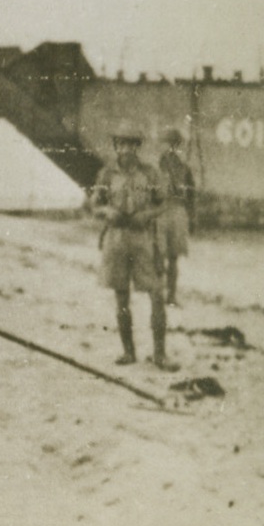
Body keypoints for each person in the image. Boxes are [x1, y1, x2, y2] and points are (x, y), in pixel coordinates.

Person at [91, 132, 179, 371]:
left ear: (137, 147)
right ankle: (128, 352)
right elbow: (94, 203)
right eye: (121, 144)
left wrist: (146, 215)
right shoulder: (107, 174)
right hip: (116, 239)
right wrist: (107, 212)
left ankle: (160, 354)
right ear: (115, 146)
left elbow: (164, 201)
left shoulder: (150, 173)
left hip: (143, 239)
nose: (126, 149)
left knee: (156, 295)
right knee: (121, 297)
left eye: (131, 145)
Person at [157, 127, 195, 307]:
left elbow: (191, 194)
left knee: (170, 258)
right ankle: (164, 295)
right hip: (168, 213)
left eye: (171, 144)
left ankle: (168, 296)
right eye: (167, 144)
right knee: (164, 257)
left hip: (173, 212)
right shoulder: (160, 168)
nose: (169, 147)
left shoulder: (178, 168)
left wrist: (191, 217)